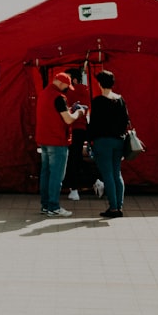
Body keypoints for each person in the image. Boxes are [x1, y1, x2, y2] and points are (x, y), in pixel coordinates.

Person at [36, 71, 86, 217]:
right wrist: (79, 113)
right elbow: (68, 120)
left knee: (46, 174)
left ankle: (45, 206)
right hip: (57, 141)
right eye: (66, 86)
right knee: (56, 176)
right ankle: (53, 207)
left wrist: (70, 109)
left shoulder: (44, 93)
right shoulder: (59, 97)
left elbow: (55, 114)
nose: (66, 89)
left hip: (44, 140)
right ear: (61, 82)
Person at [87, 70, 130, 218]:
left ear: (99, 83)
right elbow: (126, 121)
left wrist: (89, 140)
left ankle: (113, 207)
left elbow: (93, 124)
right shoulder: (120, 100)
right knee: (117, 173)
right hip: (118, 140)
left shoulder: (98, 101)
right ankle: (119, 205)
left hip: (102, 141)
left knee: (108, 174)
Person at [62, 68, 91, 201]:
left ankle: (74, 189)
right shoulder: (86, 90)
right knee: (77, 157)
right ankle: (94, 181)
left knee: (72, 159)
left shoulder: (69, 92)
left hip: (72, 128)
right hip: (82, 128)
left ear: (73, 79)